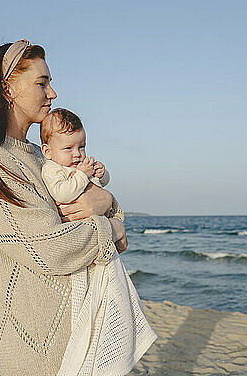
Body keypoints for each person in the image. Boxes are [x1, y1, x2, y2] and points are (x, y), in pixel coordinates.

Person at [0, 39, 153, 375]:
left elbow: (83, 203)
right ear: (7, 89)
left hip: (71, 338)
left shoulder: (38, 157)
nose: (52, 93)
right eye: (42, 83)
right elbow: (50, 247)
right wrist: (112, 225)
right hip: (33, 351)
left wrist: (109, 202)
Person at [39, 108, 157, 375]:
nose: (77, 154)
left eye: (81, 146)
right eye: (68, 148)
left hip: (93, 233)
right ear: (47, 151)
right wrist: (82, 175)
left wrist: (101, 174)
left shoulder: (74, 166)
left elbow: (101, 186)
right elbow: (63, 191)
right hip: (78, 237)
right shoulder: (52, 170)